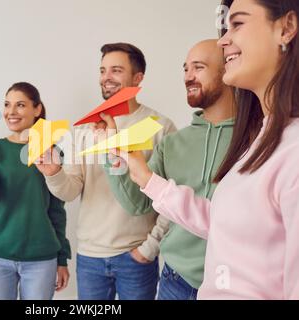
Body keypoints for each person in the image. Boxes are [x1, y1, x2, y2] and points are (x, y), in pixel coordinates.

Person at [108, 0, 299, 299]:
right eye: (185, 68)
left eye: (237, 24)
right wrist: (143, 176)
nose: (225, 40)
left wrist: (147, 248)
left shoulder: (289, 149)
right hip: (173, 278)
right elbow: (225, 223)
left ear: (286, 28)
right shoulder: (261, 140)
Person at [35, 43, 176, 300]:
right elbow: (70, 191)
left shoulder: (160, 127)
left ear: (138, 78)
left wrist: (150, 247)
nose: (106, 77)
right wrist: (54, 173)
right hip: (90, 257)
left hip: (136, 256)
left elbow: (171, 198)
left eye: (116, 70)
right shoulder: (85, 129)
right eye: (102, 70)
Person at [101, 39, 235, 300]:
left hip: (230, 282)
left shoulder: (256, 139)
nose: (188, 77)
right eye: (185, 69)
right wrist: (114, 151)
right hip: (174, 280)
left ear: (227, 69)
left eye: (198, 67)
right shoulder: (173, 143)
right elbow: (136, 204)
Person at [0, 82, 71, 300]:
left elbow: (57, 210)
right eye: (7, 105)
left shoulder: (51, 152)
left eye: (20, 105)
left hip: (41, 259)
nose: (11, 112)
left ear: (37, 109)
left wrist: (62, 259)